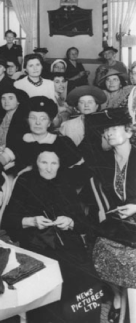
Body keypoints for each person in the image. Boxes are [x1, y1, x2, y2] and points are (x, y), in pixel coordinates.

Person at [2, 146, 102, 323]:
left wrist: (70, 222)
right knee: (48, 287)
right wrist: (31, 221)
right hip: (36, 245)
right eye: (44, 162)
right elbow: (8, 221)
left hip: (69, 245)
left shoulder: (65, 182)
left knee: (88, 280)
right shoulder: (25, 180)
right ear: (36, 164)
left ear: (59, 165)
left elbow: (84, 224)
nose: (49, 168)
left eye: (53, 163)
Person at [90, 108, 136, 323]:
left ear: (129, 132)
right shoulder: (105, 160)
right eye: (107, 130)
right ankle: (118, 296)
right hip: (119, 223)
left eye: (115, 128)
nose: (109, 133)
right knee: (99, 248)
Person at [2, 96, 84, 175]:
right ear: (27, 121)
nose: (38, 122)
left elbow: (80, 170)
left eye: (43, 118)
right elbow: (1, 161)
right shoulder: (19, 141)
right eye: (33, 118)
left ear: (49, 122)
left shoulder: (64, 143)